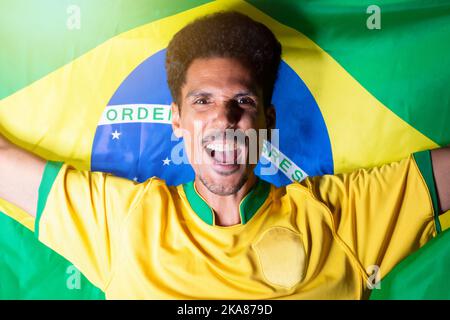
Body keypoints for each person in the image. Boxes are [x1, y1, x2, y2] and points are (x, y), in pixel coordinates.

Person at [0, 11, 448, 300]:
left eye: (244, 102)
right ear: (176, 121)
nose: (225, 119)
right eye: (202, 102)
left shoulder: (339, 216)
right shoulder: (121, 221)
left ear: (268, 120)